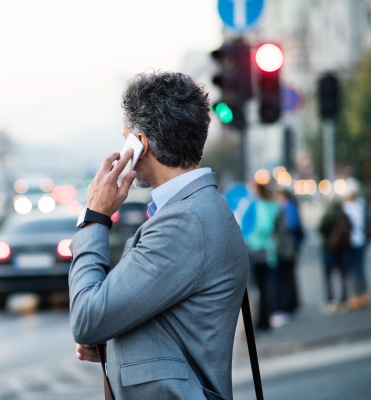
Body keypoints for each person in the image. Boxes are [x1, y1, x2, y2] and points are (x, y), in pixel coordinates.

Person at [69, 71, 248, 400]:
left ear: (140, 144)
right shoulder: (195, 210)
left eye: (126, 137)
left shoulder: (185, 223)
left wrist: (94, 217)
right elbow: (170, 323)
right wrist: (110, 338)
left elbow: (86, 317)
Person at [245, 183, 281, 330]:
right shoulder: (273, 206)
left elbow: (261, 227)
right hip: (269, 251)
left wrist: (248, 239)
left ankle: (261, 321)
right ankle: (265, 319)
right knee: (266, 287)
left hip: (257, 250)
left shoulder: (258, 205)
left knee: (257, 288)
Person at [273, 188, 304, 317]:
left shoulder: (287, 206)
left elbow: (292, 224)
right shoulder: (290, 205)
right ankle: (294, 304)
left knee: (287, 276)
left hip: (288, 247)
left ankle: (290, 305)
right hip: (290, 245)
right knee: (290, 275)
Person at [319, 200, 351, 314]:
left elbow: (321, 228)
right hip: (342, 248)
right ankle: (344, 300)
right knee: (343, 274)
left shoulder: (328, 214)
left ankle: (330, 300)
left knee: (328, 276)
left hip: (329, 247)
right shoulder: (344, 215)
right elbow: (350, 227)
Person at [342, 179, 369, 310]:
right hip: (359, 241)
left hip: (351, 242)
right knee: (359, 269)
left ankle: (356, 296)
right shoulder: (362, 204)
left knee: (352, 270)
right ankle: (362, 295)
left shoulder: (346, 206)